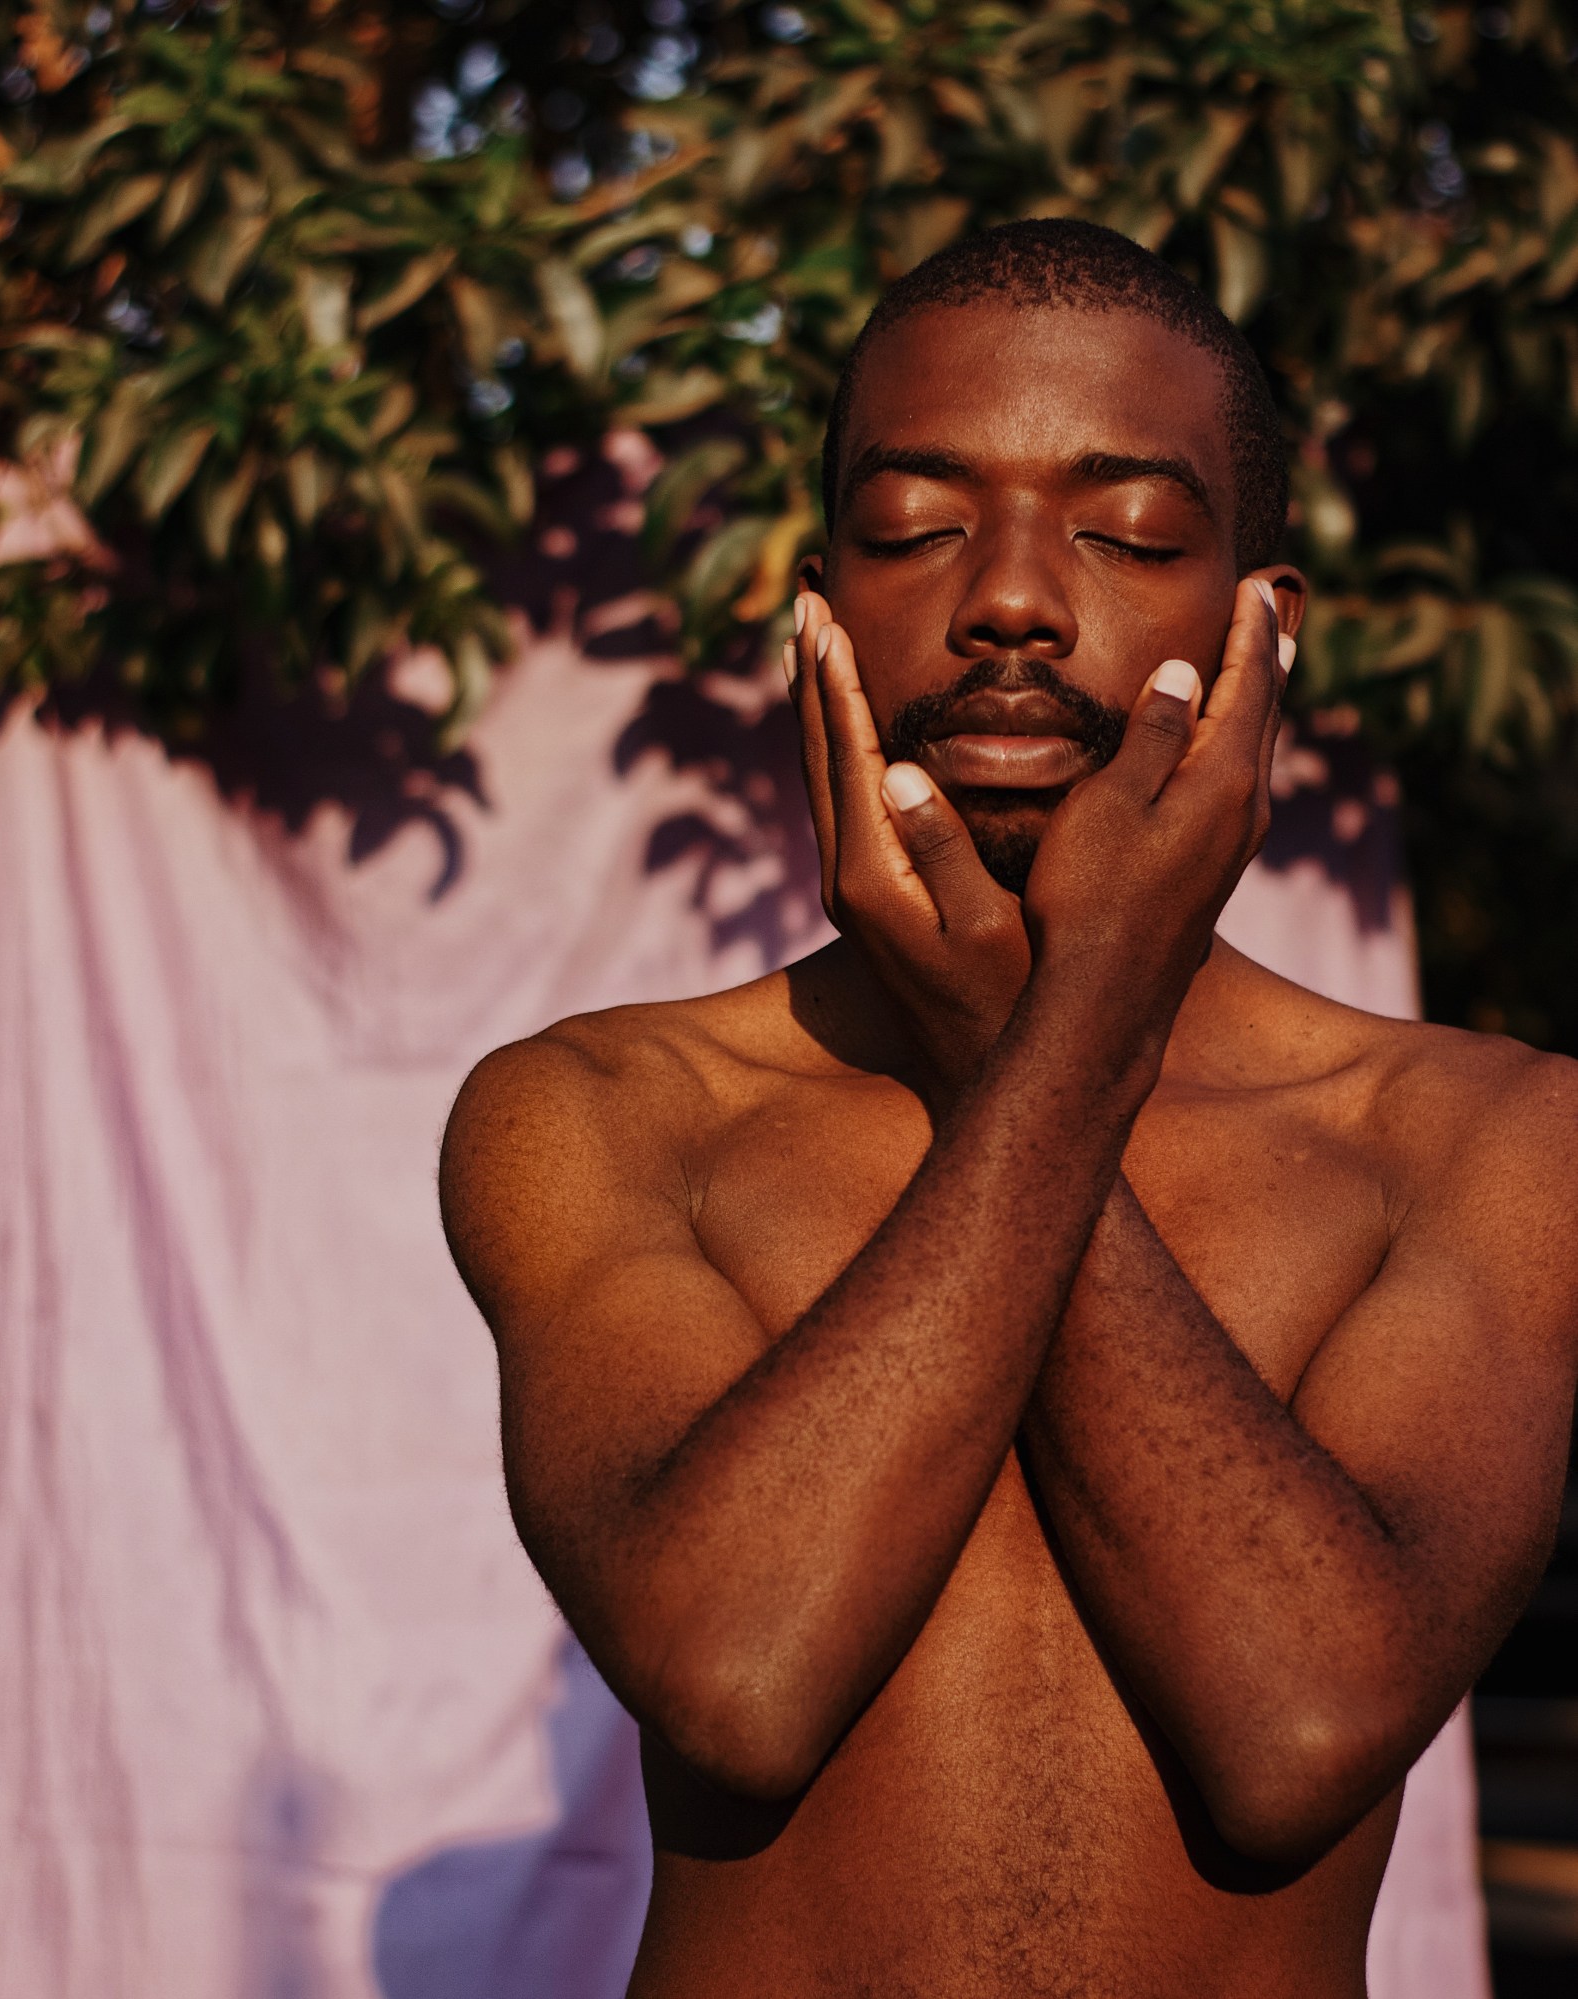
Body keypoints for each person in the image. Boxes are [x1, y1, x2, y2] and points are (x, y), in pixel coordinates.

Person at [440, 221, 1578, 1997]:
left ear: (1262, 631)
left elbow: (1303, 1723)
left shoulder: (1479, 1140)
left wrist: (1023, 1037)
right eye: (916, 528)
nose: (1014, 603)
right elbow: (739, 1670)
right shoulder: (604, 1112)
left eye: (1125, 532)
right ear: (820, 605)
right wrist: (1053, 1045)